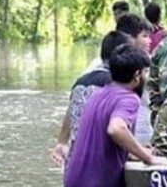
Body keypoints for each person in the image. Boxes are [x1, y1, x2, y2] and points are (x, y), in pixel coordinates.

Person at [63, 44, 167, 187]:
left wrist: (132, 152)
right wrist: (148, 158)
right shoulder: (129, 98)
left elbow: (100, 139)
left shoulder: (97, 96)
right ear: (138, 75)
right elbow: (116, 128)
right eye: (147, 72)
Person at [50, 31, 132, 166]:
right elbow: (116, 131)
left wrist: (62, 142)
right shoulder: (116, 86)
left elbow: (71, 111)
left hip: (75, 161)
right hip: (101, 164)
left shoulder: (81, 81)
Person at [116, 13, 153, 145]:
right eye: (145, 36)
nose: (150, 41)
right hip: (132, 132)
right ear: (130, 38)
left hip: (145, 130)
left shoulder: (149, 61)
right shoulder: (108, 66)